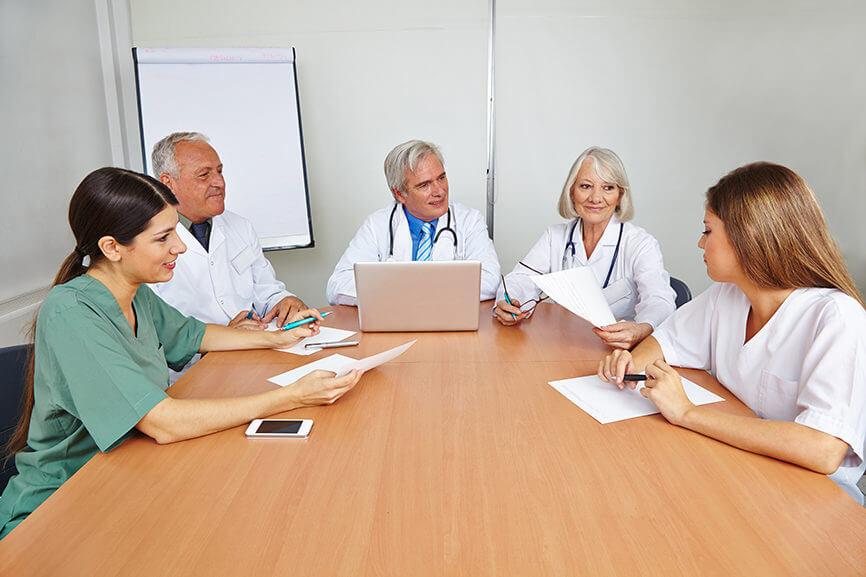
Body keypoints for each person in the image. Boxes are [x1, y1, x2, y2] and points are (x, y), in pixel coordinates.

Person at [0, 168, 362, 539]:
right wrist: (293, 396)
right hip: (61, 503)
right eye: (163, 237)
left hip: (130, 473)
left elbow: (196, 334)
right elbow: (162, 422)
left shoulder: (135, 292)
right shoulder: (71, 312)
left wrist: (277, 338)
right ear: (112, 247)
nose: (181, 246)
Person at [598, 162, 866, 503]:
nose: (699, 243)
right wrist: (629, 362)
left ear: (748, 236)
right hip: (739, 466)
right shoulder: (728, 296)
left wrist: (687, 412)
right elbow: (665, 340)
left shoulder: (835, 317)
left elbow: (823, 449)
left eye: (708, 231)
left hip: (813, 497)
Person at [494, 147, 676, 349]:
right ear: (571, 191)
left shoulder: (640, 243)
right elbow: (519, 278)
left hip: (615, 354)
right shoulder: (555, 237)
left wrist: (643, 328)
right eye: (586, 186)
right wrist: (510, 301)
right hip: (561, 346)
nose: (596, 198)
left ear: (620, 195)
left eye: (608, 188)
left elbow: (659, 300)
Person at [150, 132, 306, 331]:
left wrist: (285, 302)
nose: (219, 183)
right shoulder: (147, 242)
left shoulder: (240, 227)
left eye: (219, 171)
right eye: (204, 175)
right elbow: (161, 333)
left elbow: (266, 291)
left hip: (256, 345)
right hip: (196, 360)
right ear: (168, 183)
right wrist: (226, 337)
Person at [326, 140, 501, 304]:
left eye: (441, 178)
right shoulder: (377, 225)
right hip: (394, 324)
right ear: (399, 194)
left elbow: (490, 280)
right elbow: (338, 286)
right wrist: (423, 293)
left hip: (450, 325)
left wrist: (401, 291)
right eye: (424, 185)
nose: (439, 191)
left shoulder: (469, 221)